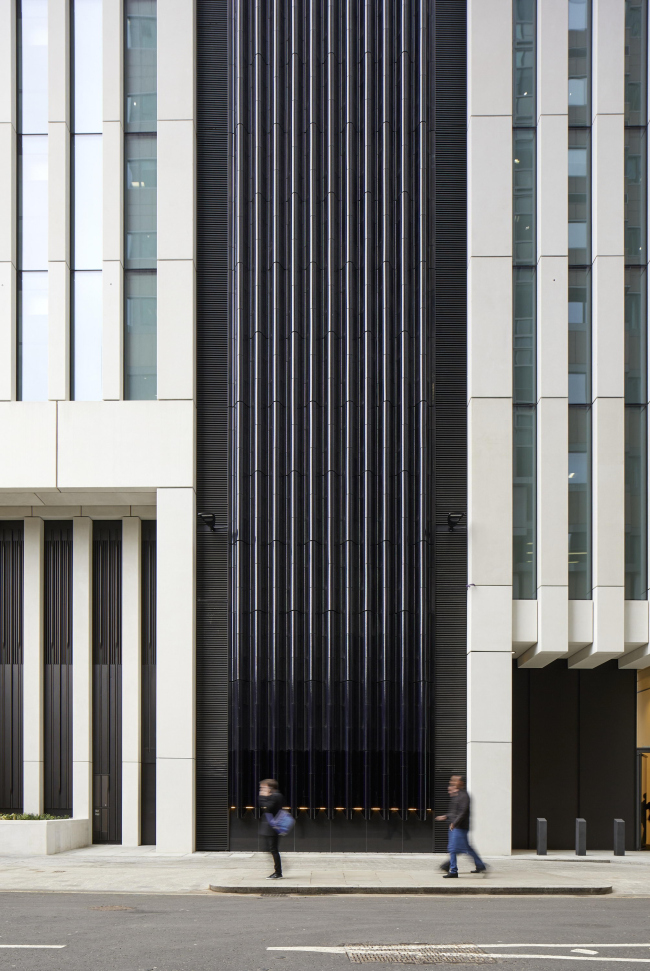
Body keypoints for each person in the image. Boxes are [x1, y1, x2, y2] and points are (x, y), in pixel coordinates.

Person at [435, 774, 487, 878]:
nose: (453, 782)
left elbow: (462, 812)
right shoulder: (457, 794)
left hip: (458, 827)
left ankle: (453, 871)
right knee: (466, 848)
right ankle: (480, 865)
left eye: (455, 781)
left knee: (453, 849)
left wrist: (455, 823)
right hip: (456, 826)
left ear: (461, 783)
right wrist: (446, 816)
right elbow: (454, 812)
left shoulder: (464, 796)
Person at [259, 778, 284, 878]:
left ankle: (278, 872)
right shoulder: (276, 795)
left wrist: (263, 797)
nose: (262, 789)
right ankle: (278, 870)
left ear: (270, 787)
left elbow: (267, 808)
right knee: (271, 849)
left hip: (273, 828)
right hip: (271, 827)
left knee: (273, 850)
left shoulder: (275, 796)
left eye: (263, 787)